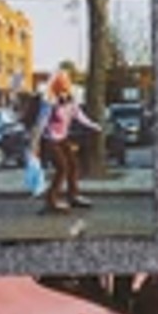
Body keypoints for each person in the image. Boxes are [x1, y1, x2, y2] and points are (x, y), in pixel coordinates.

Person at [36, 64, 95, 215]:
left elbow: (79, 116)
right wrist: (35, 144)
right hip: (50, 140)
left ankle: (73, 196)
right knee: (62, 168)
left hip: (62, 138)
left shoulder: (70, 100)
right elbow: (41, 123)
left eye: (67, 80)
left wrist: (94, 125)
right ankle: (51, 201)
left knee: (74, 165)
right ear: (55, 83)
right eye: (62, 80)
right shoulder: (50, 102)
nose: (65, 83)